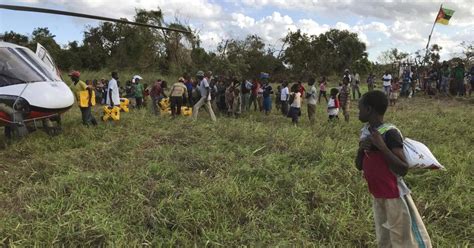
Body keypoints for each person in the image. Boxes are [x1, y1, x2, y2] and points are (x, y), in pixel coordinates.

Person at [355, 90, 432, 247]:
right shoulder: (365, 132)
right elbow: (358, 166)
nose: (358, 112)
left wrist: (382, 147)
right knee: (384, 238)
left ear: (369, 109)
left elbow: (403, 168)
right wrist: (361, 149)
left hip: (394, 196)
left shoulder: (390, 133)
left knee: (404, 239)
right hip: (378, 195)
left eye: (360, 108)